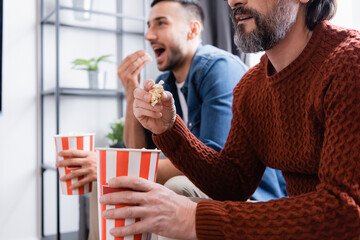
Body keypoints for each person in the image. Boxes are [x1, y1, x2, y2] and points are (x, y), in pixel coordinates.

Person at [99, 0, 360, 239]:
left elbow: (345, 210)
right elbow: (233, 182)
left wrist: (191, 219)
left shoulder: (350, 62)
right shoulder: (251, 87)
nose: (233, 1)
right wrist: (169, 130)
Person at [117, 0, 286, 202]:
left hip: (251, 196)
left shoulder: (219, 68)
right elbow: (140, 151)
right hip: (210, 184)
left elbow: (216, 160)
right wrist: (130, 90)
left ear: (192, 30)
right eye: (149, 26)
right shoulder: (163, 83)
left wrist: (123, 169)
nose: (149, 35)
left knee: (175, 186)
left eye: (161, 23)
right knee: (111, 184)